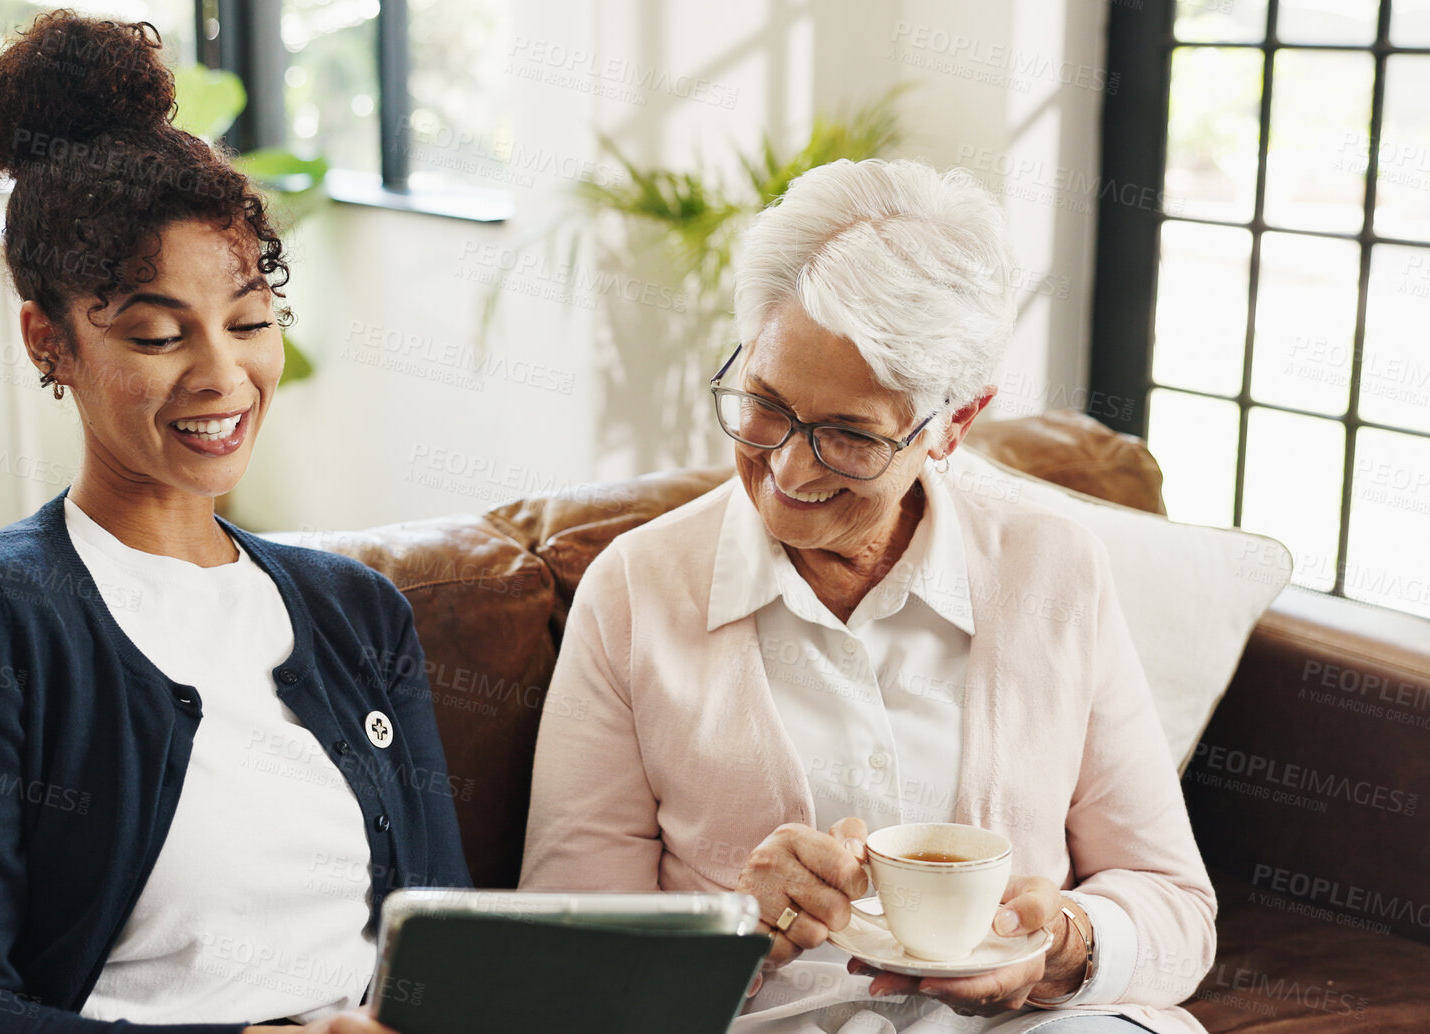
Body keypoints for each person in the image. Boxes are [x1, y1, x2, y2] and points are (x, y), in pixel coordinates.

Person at [0, 13, 468, 1033]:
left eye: (247, 320)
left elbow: (448, 952)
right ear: (48, 341)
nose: (221, 377)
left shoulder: (360, 614)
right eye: (154, 333)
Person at [520, 158, 1215, 1034]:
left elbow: (1174, 905)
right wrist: (737, 933)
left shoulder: (1053, 568)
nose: (787, 467)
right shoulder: (636, 589)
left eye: (849, 435)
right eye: (765, 404)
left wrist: (1063, 943)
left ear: (955, 421)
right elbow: (563, 962)